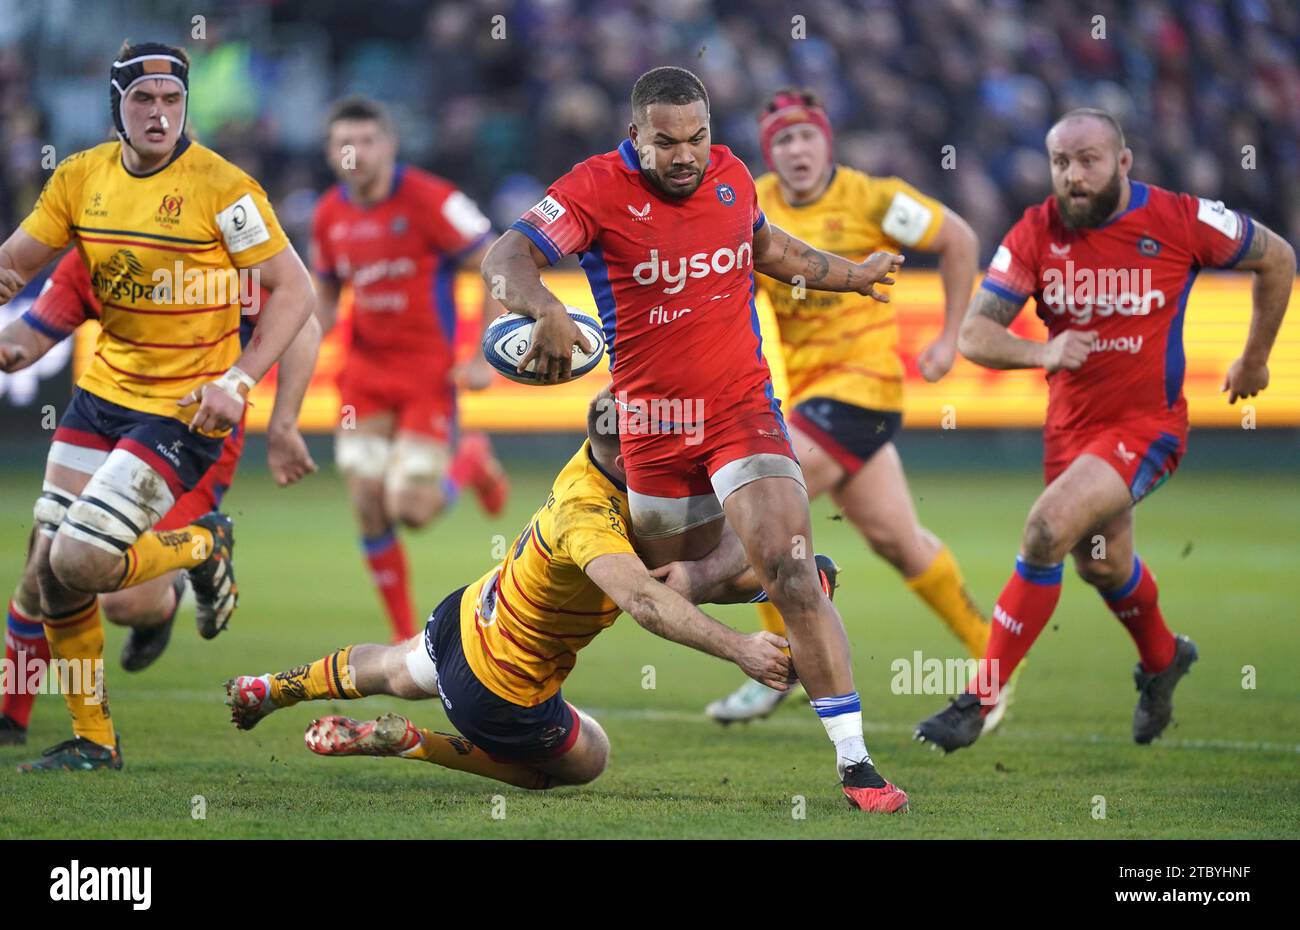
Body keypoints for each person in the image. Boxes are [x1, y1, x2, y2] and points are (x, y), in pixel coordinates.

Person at [480, 66, 907, 810]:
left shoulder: (732, 175)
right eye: (668, 142)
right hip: (651, 428)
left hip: (742, 407)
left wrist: (850, 275)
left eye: (699, 137)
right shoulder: (591, 188)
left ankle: (856, 764)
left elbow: (771, 251)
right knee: (677, 575)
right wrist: (545, 307)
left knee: (791, 568)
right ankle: (746, 576)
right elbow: (504, 259)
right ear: (636, 135)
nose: (687, 155)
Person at [222, 391, 906, 808]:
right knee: (587, 761)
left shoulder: (601, 467)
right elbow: (645, 601)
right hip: (504, 689)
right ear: (631, 448)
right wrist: (740, 650)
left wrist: (783, 577)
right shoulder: (589, 517)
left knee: (394, 669)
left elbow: (692, 577)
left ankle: (268, 687)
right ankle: (415, 743)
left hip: (466, 614)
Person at [915, 109, 1294, 752]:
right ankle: (1165, 657)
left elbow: (1277, 257)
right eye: (1061, 163)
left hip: (1148, 426)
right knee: (1102, 564)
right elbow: (975, 333)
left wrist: (1255, 358)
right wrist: (1042, 353)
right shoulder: (1036, 232)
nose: (1073, 176)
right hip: (1070, 432)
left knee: (1044, 531)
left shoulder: (1179, 219)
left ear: (1124, 162)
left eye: (1088, 160)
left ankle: (978, 700)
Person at [0, 41, 314, 770]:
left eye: (172, 101)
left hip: (184, 412)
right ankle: (91, 741)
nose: (159, 114)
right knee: (48, 566)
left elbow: (298, 295)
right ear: (117, 106)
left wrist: (244, 387)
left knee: (81, 565)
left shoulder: (224, 189)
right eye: (143, 100)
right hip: (99, 399)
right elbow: (17, 270)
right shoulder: (81, 181)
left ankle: (204, 545)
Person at [706, 88, 999, 725]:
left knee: (757, 512)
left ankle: (774, 667)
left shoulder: (872, 198)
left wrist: (950, 336)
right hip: (815, 400)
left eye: (807, 136)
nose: (797, 149)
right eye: (783, 140)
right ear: (770, 153)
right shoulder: (748, 204)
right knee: (899, 540)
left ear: (826, 143)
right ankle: (996, 658)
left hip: (864, 391)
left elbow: (959, 238)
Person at [0, 248, 320, 748]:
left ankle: (196, 555)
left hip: (189, 432)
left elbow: (302, 322)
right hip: (105, 417)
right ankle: (11, 718)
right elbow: (30, 337)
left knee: (124, 603)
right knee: (46, 559)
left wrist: (282, 425)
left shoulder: (212, 240)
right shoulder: (95, 241)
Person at [311, 96, 510, 643]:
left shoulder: (430, 199)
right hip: (363, 379)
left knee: (411, 511)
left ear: (390, 145)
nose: (356, 152)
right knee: (366, 502)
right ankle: (404, 639)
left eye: (368, 140)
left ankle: (470, 460)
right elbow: (326, 295)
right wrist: (297, 343)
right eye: (344, 142)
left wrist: (480, 352)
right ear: (330, 151)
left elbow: (494, 262)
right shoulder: (329, 214)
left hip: (428, 378)